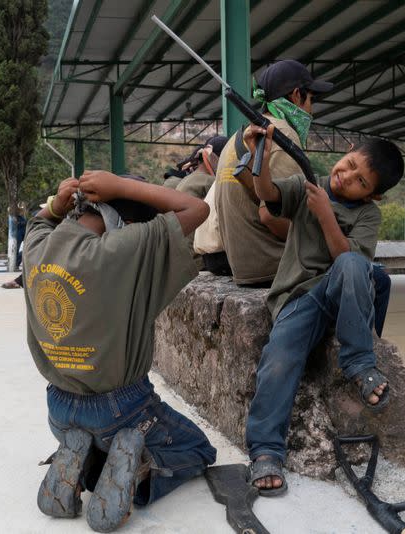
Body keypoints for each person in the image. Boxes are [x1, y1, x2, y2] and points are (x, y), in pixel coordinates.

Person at [24, 171, 215, 532]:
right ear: (125, 222)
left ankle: (83, 457)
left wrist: (57, 203)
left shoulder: (36, 247)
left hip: (59, 410)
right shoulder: (125, 246)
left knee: (94, 436)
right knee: (198, 448)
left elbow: (40, 219)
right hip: (120, 410)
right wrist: (124, 186)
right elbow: (198, 208)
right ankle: (134, 468)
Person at [241, 126, 404, 495]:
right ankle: (266, 449)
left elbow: (347, 260)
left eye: (359, 180)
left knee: (366, 271)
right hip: (299, 297)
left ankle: (360, 361)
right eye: (347, 165)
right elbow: (267, 193)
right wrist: (260, 159)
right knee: (279, 358)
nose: (345, 177)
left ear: (372, 194)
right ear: (345, 151)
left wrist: (326, 216)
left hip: (340, 287)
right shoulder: (305, 185)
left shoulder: (368, 216)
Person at [214, 59, 332, 286]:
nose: (311, 111)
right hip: (272, 266)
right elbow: (271, 216)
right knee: (359, 270)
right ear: (297, 95)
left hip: (243, 266)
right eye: (311, 100)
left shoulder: (238, 136)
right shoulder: (282, 134)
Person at [176, 135, 227, 269]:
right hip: (198, 260)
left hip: (181, 256)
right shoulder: (209, 182)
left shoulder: (187, 180)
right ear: (218, 158)